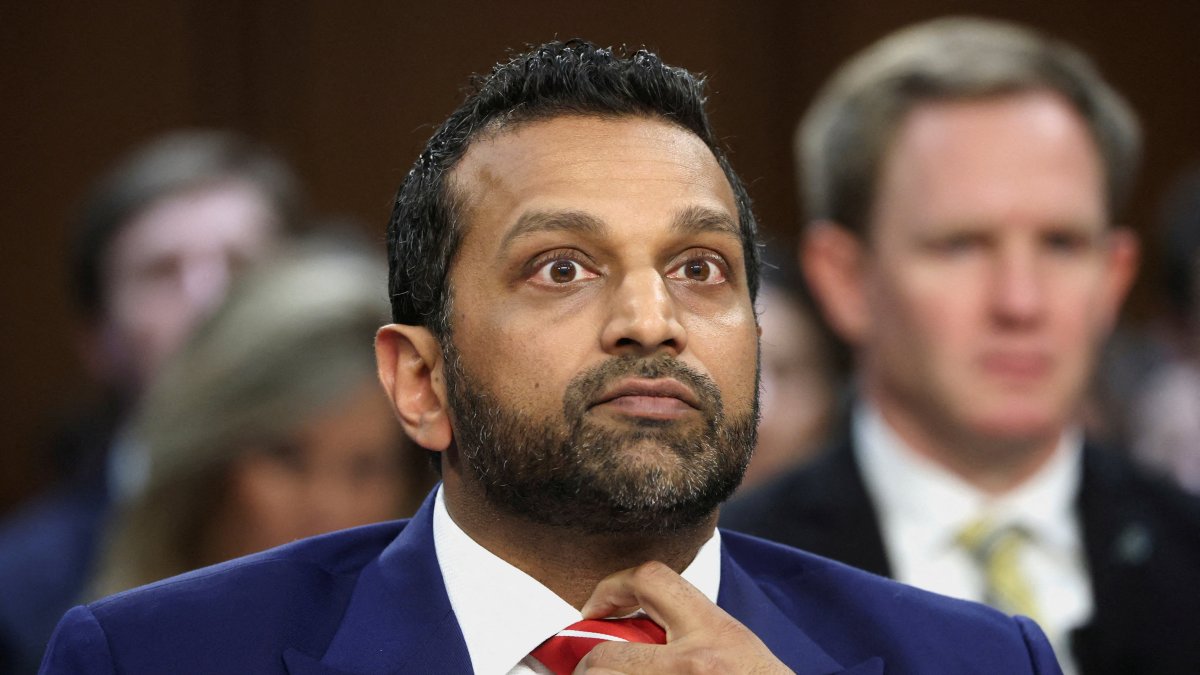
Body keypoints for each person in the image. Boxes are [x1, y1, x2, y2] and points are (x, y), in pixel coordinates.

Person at [40, 40, 1062, 674]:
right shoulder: (150, 658)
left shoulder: (978, 660)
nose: (651, 320)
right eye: (562, 269)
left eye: (702, 268)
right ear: (420, 381)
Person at [720, 17, 1200, 675]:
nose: (1020, 301)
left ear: (1114, 276)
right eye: (961, 245)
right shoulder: (724, 587)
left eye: (1061, 243)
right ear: (846, 279)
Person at [0, 130, 303, 674]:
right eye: (161, 272)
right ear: (97, 340)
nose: (208, 300)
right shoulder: (15, 590)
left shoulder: (405, 525)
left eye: (241, 265)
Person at [88, 237, 435, 598]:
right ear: (208, 456)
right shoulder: (101, 642)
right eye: (288, 457)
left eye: (367, 468)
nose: (328, 512)